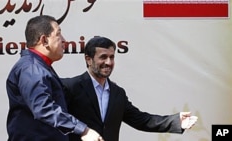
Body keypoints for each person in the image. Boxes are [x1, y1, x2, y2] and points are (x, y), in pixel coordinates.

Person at [61, 36, 198, 141]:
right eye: (103, 57)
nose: (108, 62)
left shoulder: (117, 93)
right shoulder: (71, 87)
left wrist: (175, 121)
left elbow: (141, 120)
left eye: (111, 57)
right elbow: (56, 120)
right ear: (88, 59)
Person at [6, 15, 104, 141]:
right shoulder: (32, 69)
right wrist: (83, 130)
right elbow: (43, 107)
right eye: (58, 34)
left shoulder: (38, 67)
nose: (64, 40)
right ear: (44, 40)